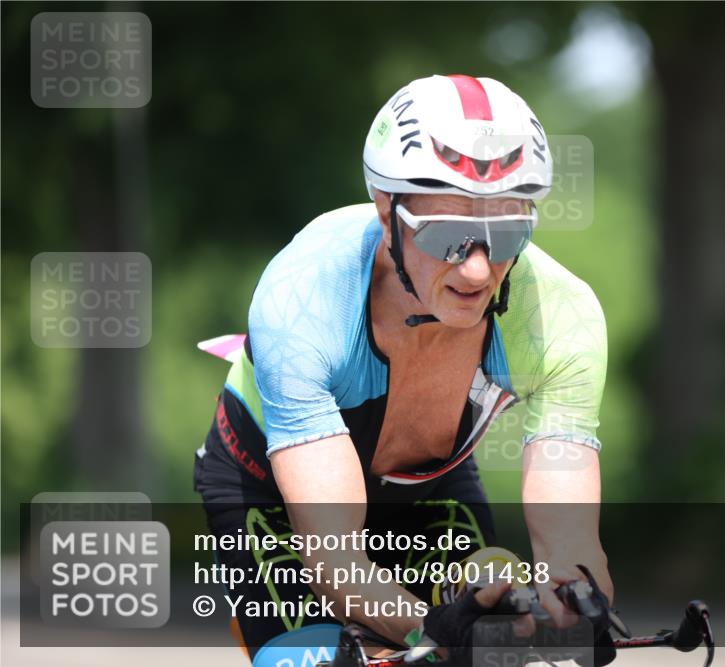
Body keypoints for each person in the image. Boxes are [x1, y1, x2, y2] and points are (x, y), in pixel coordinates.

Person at [194, 74, 612, 666]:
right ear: (386, 210)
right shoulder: (301, 297)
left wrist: (574, 603)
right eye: (447, 236)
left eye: (506, 235)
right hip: (272, 497)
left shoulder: (561, 316)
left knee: (495, 624)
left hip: (427, 484)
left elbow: (571, 543)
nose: (476, 270)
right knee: (324, 658)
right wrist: (433, 631)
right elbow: (335, 561)